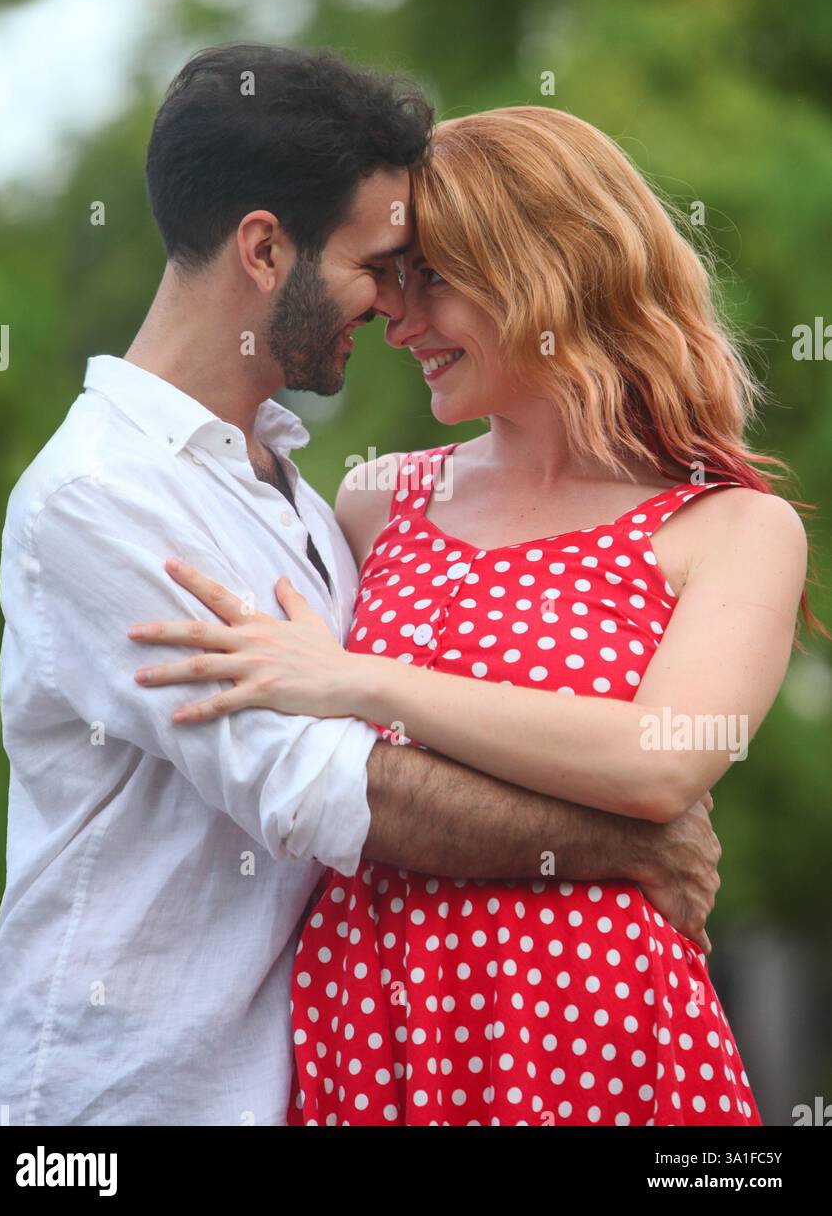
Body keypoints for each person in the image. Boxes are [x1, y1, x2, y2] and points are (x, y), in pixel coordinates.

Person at [0, 53, 717, 1128]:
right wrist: (629, 844)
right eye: (381, 263)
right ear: (265, 250)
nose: (395, 302)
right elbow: (329, 786)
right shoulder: (100, 500)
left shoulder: (296, 497)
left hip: (273, 1091)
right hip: (109, 1101)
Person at [129, 107, 813, 1126]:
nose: (396, 321)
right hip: (372, 1021)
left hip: (583, 1024)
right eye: (392, 280)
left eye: (432, 280)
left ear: (546, 272)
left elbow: (659, 760)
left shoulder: (728, 528)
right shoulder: (372, 500)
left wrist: (358, 679)